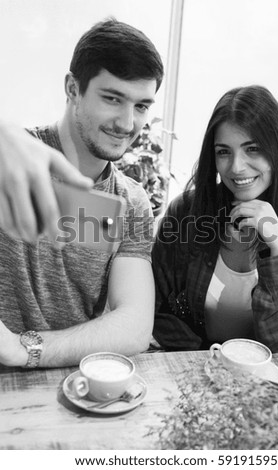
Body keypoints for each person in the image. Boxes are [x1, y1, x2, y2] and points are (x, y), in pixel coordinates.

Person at [0, 18, 164, 368]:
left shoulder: (131, 203)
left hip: (68, 385)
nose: (127, 123)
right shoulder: (13, 160)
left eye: (141, 106)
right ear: (73, 89)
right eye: (112, 98)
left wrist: (23, 348)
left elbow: (133, 326)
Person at [152, 85, 278, 353]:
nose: (236, 167)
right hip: (190, 363)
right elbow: (153, 307)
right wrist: (205, 356)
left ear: (277, 150)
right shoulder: (186, 212)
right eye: (224, 152)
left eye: (253, 149)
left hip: (261, 374)